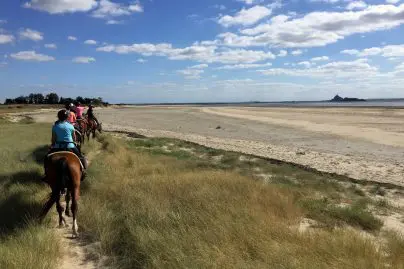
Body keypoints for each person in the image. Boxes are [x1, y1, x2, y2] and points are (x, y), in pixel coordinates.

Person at [45, 109, 87, 178]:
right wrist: (74, 142)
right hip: (70, 146)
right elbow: (74, 138)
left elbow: (53, 139)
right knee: (81, 157)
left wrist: (52, 145)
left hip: (57, 147)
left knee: (47, 158)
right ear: (67, 117)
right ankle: (83, 171)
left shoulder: (55, 126)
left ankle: (46, 174)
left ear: (58, 117)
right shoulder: (71, 126)